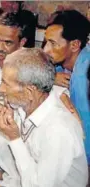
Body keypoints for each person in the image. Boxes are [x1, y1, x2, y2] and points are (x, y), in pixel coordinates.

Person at [0, 48, 88, 187]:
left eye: (6, 83)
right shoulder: (32, 99)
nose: (1, 89)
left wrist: (14, 138)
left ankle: (10, 179)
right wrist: (3, 110)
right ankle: (11, 178)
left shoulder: (58, 129)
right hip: (32, 173)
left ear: (29, 91)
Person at [43, 10, 90, 170]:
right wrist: (51, 76)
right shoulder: (62, 65)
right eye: (46, 42)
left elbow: (85, 129)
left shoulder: (83, 77)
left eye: (53, 44)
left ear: (75, 45)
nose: (46, 50)